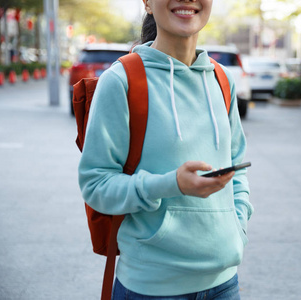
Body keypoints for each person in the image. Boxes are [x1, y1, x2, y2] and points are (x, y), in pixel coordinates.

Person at [78, 0, 253, 299]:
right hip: (152, 287)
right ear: (147, 2)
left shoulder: (221, 78)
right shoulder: (121, 81)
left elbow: (236, 167)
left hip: (224, 283)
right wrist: (170, 184)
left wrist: (238, 228)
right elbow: (96, 185)